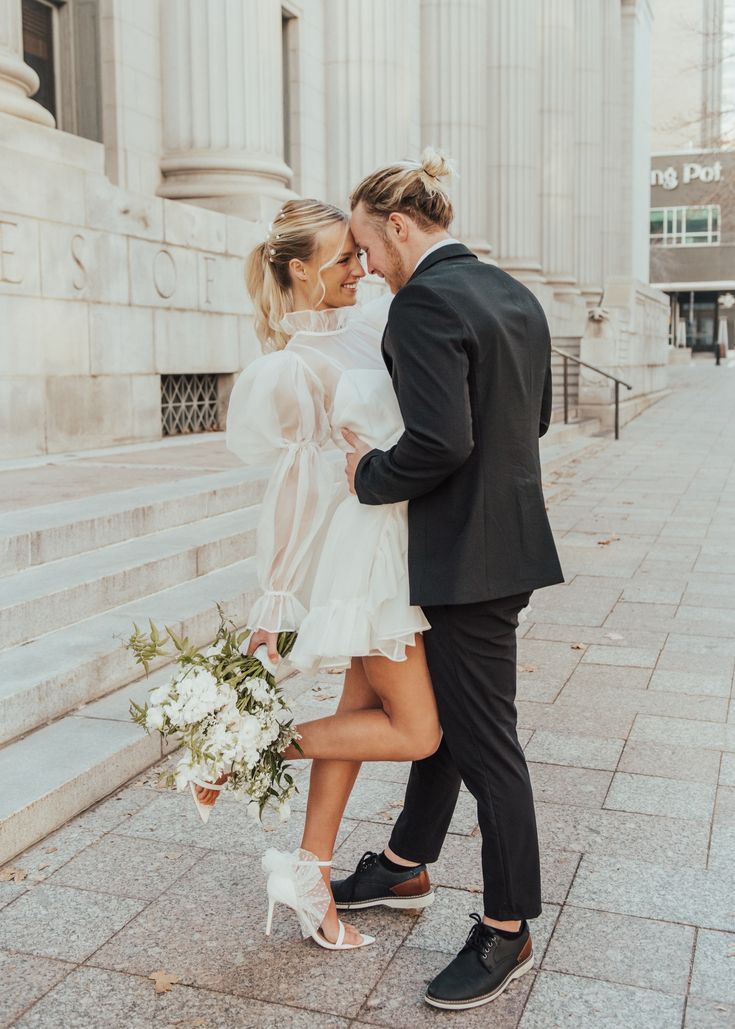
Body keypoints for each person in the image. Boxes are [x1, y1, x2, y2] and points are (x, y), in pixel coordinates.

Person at [331, 150, 564, 1009]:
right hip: (501, 545)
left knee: (486, 743)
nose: (365, 266)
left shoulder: (422, 302)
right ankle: (403, 862)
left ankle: (508, 926)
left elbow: (439, 443)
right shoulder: (511, 291)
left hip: (463, 558)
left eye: (364, 246)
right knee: (447, 724)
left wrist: (366, 475)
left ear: (397, 227)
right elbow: (529, 419)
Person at [195, 196, 441, 952]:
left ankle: (310, 876)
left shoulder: (377, 321)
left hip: (404, 537)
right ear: (299, 270)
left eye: (357, 254)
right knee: (416, 731)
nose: (357, 269)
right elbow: (299, 491)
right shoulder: (291, 368)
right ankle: (241, 752)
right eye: (340, 259)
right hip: (367, 557)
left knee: (359, 722)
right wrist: (272, 602)